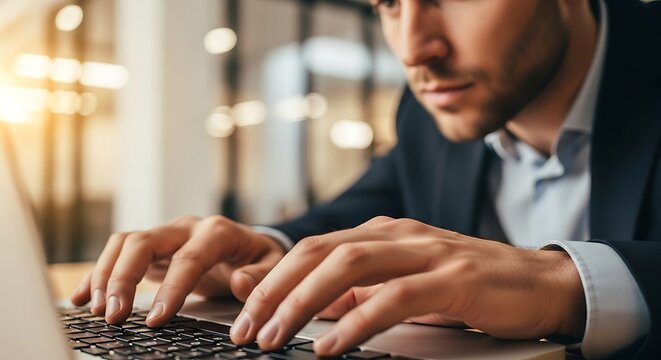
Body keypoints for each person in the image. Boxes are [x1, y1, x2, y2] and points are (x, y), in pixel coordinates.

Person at [71, 0, 661, 358]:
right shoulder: (429, 110)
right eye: (388, 4)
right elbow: (365, 209)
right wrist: (268, 248)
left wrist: (564, 285)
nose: (414, 50)